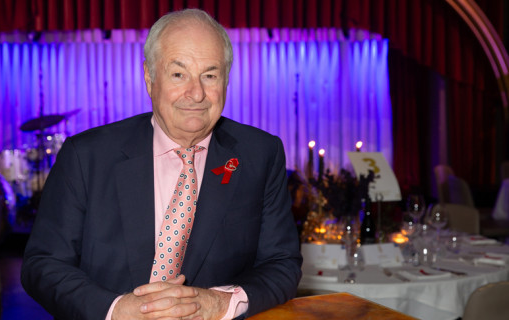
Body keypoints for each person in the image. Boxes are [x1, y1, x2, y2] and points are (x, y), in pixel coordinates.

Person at [21, 8, 302, 320]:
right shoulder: (86, 156)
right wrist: (116, 311)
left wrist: (220, 303)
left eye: (210, 75)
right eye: (178, 74)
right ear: (149, 77)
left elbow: (282, 263)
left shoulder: (260, 154)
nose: (196, 94)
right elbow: (42, 264)